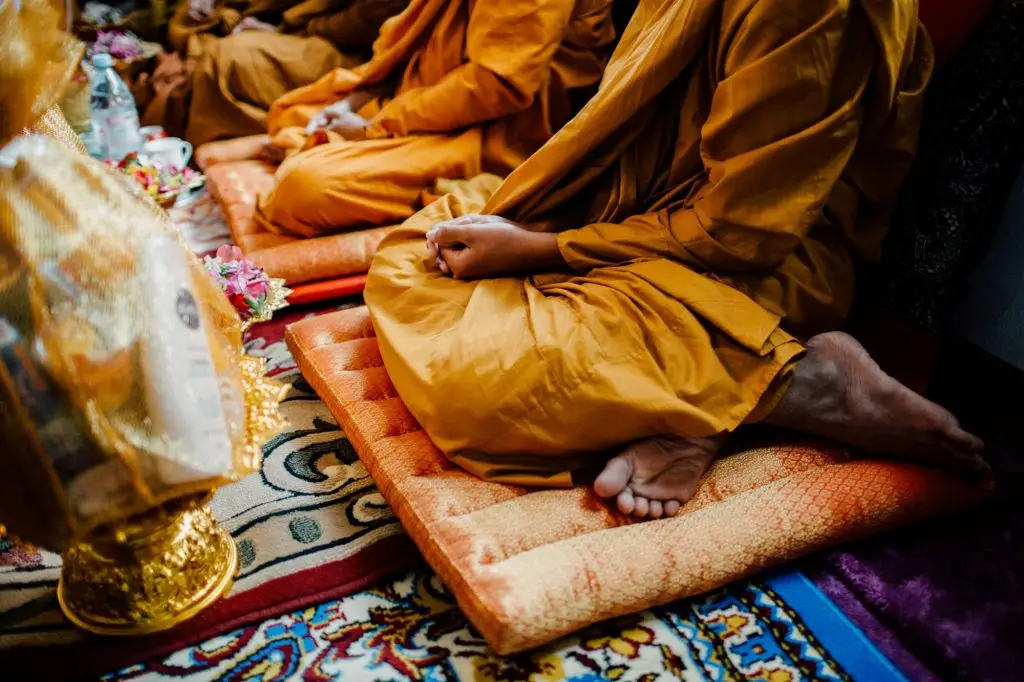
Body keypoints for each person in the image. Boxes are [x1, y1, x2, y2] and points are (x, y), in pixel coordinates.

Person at [361, 0, 991, 520]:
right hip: (639, 217)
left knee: (479, 390)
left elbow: (744, 234)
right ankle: (709, 401)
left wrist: (547, 247)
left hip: (757, 271)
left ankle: (799, 384)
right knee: (409, 255)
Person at [251, 0, 616, 238]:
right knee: (292, 113)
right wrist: (358, 97)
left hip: (500, 131)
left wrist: (374, 127)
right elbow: (410, 36)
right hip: (424, 96)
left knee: (302, 187)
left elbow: (496, 86)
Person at [148, 0, 407, 144]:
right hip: (287, 21)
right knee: (191, 24)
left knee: (224, 58)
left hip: (349, 50)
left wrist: (278, 31)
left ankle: (277, 123)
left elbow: (361, 24)